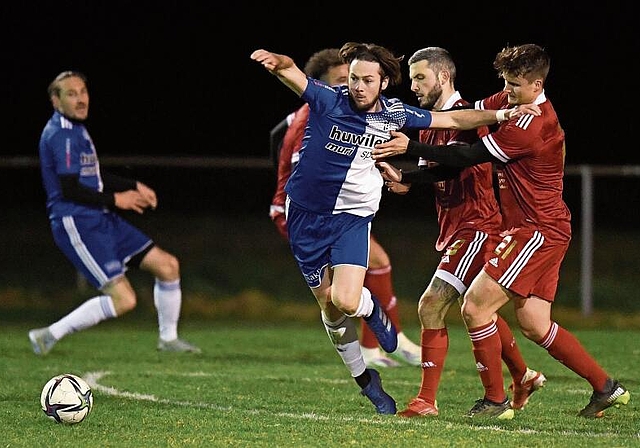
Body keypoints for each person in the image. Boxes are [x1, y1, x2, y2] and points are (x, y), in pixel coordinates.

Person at [250, 42, 522, 414]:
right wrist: (279, 63)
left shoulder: (394, 113)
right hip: (305, 218)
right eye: (353, 79)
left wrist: (501, 116)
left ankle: (371, 310)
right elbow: (293, 75)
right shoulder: (330, 100)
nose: (357, 86)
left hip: (351, 218)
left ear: (382, 83)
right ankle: (367, 381)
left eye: (366, 80)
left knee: (346, 300)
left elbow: (455, 120)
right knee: (329, 310)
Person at [372, 43, 630, 419]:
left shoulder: (532, 124)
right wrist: (416, 144)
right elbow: (466, 118)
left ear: (537, 83)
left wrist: (408, 144)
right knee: (533, 323)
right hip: (532, 228)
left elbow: (471, 156)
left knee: (475, 306)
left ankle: (495, 401)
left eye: (514, 86)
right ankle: (605, 387)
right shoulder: (510, 103)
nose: (507, 93)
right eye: (505, 84)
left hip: (536, 230)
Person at [376, 46, 545, 418]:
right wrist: (404, 179)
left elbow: (456, 162)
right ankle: (523, 375)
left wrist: (410, 158)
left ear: (444, 76)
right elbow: (437, 170)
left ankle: (427, 401)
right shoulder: (434, 121)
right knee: (479, 311)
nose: (415, 86)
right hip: (458, 229)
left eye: (421, 77)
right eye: (413, 78)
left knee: (431, 304)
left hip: (478, 227)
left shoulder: (466, 117)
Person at [29, 70, 201, 356]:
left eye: (83, 92)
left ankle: (168, 340)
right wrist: (117, 200)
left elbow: (93, 176)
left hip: (100, 217)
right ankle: (48, 335)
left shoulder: (76, 129)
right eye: (71, 94)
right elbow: (69, 189)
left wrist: (133, 185)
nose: (81, 99)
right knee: (124, 300)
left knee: (167, 266)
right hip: (77, 222)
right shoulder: (60, 134)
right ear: (55, 101)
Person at [268, 48, 421, 368]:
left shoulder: (314, 115)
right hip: (302, 212)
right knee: (339, 294)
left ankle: (376, 345)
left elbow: (275, 137)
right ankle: (372, 349)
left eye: (360, 80)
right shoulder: (317, 113)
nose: (354, 88)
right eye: (344, 80)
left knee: (355, 281)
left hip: (318, 209)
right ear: (319, 85)